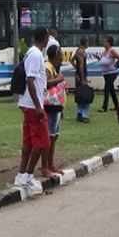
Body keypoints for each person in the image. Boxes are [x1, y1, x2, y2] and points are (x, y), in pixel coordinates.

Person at [14, 27, 50, 192]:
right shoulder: (36, 55)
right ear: (45, 38)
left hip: (27, 104)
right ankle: (28, 176)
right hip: (33, 105)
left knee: (28, 141)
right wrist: (38, 107)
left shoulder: (31, 52)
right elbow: (30, 80)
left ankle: (21, 175)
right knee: (41, 142)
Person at [44, 44, 66, 176]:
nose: (62, 57)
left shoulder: (54, 67)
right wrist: (58, 79)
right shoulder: (47, 67)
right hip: (51, 106)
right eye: (61, 54)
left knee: (54, 135)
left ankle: (50, 163)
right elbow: (45, 83)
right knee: (51, 136)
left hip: (57, 106)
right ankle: (48, 164)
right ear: (56, 55)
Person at [98, 36, 119, 112]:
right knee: (111, 90)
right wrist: (98, 58)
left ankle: (104, 107)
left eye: (105, 41)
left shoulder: (112, 50)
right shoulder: (104, 52)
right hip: (105, 73)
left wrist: (116, 64)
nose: (103, 43)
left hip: (112, 73)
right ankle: (117, 106)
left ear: (109, 43)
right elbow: (103, 61)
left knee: (107, 89)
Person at [70, 36, 91, 122]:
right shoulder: (81, 51)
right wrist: (83, 78)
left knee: (80, 94)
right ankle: (84, 115)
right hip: (81, 76)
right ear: (85, 43)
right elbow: (81, 65)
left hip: (78, 75)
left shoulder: (78, 50)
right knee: (85, 95)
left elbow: (72, 60)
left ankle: (79, 113)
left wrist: (76, 68)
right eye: (88, 42)